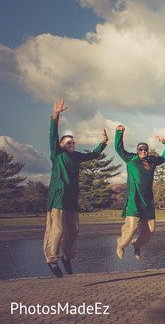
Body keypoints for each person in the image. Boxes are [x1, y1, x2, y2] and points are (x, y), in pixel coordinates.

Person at [44, 100, 108, 277]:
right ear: (62, 145)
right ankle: (52, 260)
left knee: (73, 230)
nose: (72, 145)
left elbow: (93, 155)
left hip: (72, 199)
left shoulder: (76, 157)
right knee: (56, 230)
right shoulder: (57, 154)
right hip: (58, 198)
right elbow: (52, 136)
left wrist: (104, 142)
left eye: (73, 143)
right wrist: (56, 116)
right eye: (69, 143)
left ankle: (67, 257)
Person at [114, 125, 165, 260]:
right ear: (137, 150)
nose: (143, 151)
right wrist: (119, 133)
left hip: (147, 201)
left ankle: (137, 245)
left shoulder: (152, 161)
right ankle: (120, 244)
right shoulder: (130, 159)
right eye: (140, 149)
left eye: (145, 149)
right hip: (134, 199)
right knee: (132, 226)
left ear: (148, 151)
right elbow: (119, 148)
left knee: (151, 229)